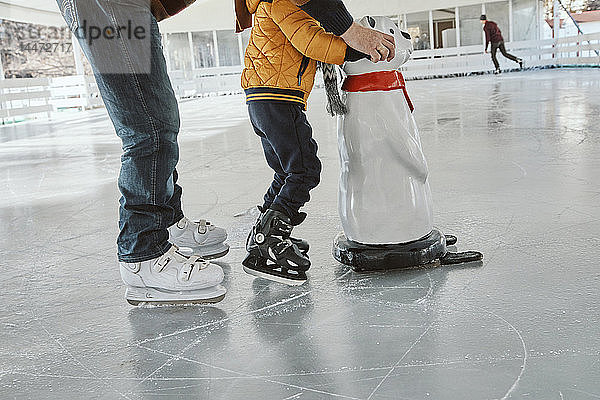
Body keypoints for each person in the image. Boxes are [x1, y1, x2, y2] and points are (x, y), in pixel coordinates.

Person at [55, 0, 393, 304]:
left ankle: (166, 222)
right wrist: (351, 38)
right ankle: (142, 253)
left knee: (161, 120)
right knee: (149, 129)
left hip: (132, 7)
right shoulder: (280, 5)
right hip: (108, 5)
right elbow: (310, 39)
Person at [239, 0, 370, 286]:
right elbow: (309, 41)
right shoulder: (281, 2)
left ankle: (264, 232)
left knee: (286, 173)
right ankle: (270, 238)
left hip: (263, 98)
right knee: (304, 170)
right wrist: (352, 49)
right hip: (278, 97)